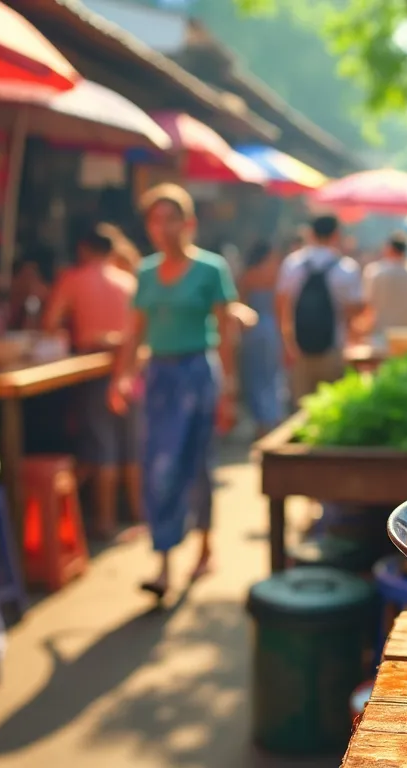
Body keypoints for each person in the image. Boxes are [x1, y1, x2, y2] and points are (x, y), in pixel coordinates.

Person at [109, 183, 238, 599]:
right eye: (155, 220)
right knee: (158, 466)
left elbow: (225, 331)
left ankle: (204, 546)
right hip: (160, 378)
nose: (163, 228)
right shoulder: (146, 272)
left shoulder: (211, 269)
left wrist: (229, 390)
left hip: (198, 373)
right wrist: (123, 375)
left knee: (198, 463)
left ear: (188, 223)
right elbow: (135, 331)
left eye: (170, 218)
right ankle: (164, 562)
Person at [44, 223, 141, 539]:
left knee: (102, 447)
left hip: (96, 372)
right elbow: (141, 331)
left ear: (84, 249)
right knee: (130, 445)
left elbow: (49, 323)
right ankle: (138, 514)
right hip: (132, 370)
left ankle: (105, 521)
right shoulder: (130, 282)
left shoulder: (73, 280)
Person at [276, 215, 362, 399]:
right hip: (333, 349)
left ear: (311, 233)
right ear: (336, 234)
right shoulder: (347, 268)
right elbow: (353, 311)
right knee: (330, 406)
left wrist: (286, 344)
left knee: (301, 406)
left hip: (298, 350)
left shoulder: (292, 263)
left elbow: (282, 306)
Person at [237, 241, 286, 436]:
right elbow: (281, 307)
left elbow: (239, 301)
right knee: (270, 377)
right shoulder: (276, 275)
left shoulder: (248, 276)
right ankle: (271, 418)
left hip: (252, 332)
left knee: (257, 377)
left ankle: (262, 421)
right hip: (269, 330)